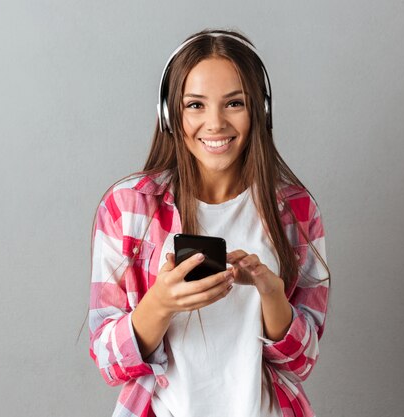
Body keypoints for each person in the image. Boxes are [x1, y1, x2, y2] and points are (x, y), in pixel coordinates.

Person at [89, 29, 330, 417]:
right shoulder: (128, 206)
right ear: (170, 114)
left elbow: (301, 363)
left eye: (234, 103)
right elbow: (108, 362)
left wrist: (271, 294)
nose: (215, 123)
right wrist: (161, 303)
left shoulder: (296, 210)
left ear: (260, 111)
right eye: (195, 105)